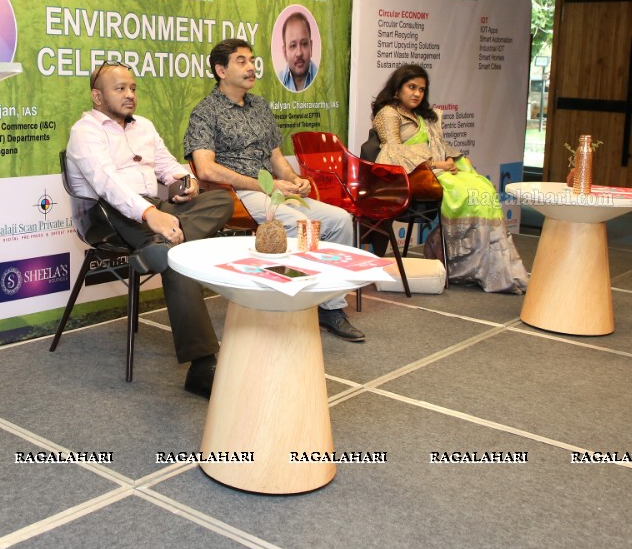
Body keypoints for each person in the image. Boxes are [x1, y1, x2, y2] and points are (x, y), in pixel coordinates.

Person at [66, 62, 234, 398]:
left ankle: (159, 245)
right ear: (98, 96)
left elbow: (168, 166)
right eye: (120, 89)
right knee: (175, 257)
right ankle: (203, 365)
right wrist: (148, 213)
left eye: (133, 88)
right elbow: (107, 183)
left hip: (154, 211)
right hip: (108, 215)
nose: (130, 95)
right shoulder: (85, 132)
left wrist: (183, 183)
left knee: (221, 202)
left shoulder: (144, 126)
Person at [184, 38, 365, 342]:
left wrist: (294, 181)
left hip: (273, 189)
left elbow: (276, 157)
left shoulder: (260, 105)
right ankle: (287, 303)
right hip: (241, 193)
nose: (251, 66)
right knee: (298, 226)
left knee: (339, 221)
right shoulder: (206, 112)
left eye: (251, 60)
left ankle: (329, 307)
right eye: (241, 61)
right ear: (221, 70)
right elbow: (205, 169)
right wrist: (265, 185)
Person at [371, 64, 528, 293]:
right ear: (397, 90)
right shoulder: (388, 113)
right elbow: (391, 151)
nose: (417, 93)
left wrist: (457, 159)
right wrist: (435, 164)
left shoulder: (425, 116)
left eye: (422, 89)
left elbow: (442, 147)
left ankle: (488, 267)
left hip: (438, 170)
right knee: (465, 193)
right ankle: (461, 264)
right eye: (411, 87)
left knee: (482, 188)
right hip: (413, 174)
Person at [278, 11, 318, 92]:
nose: (299, 53)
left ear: (311, 46)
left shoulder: (322, 78)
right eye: (293, 46)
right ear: (285, 52)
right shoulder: (277, 82)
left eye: (304, 44)